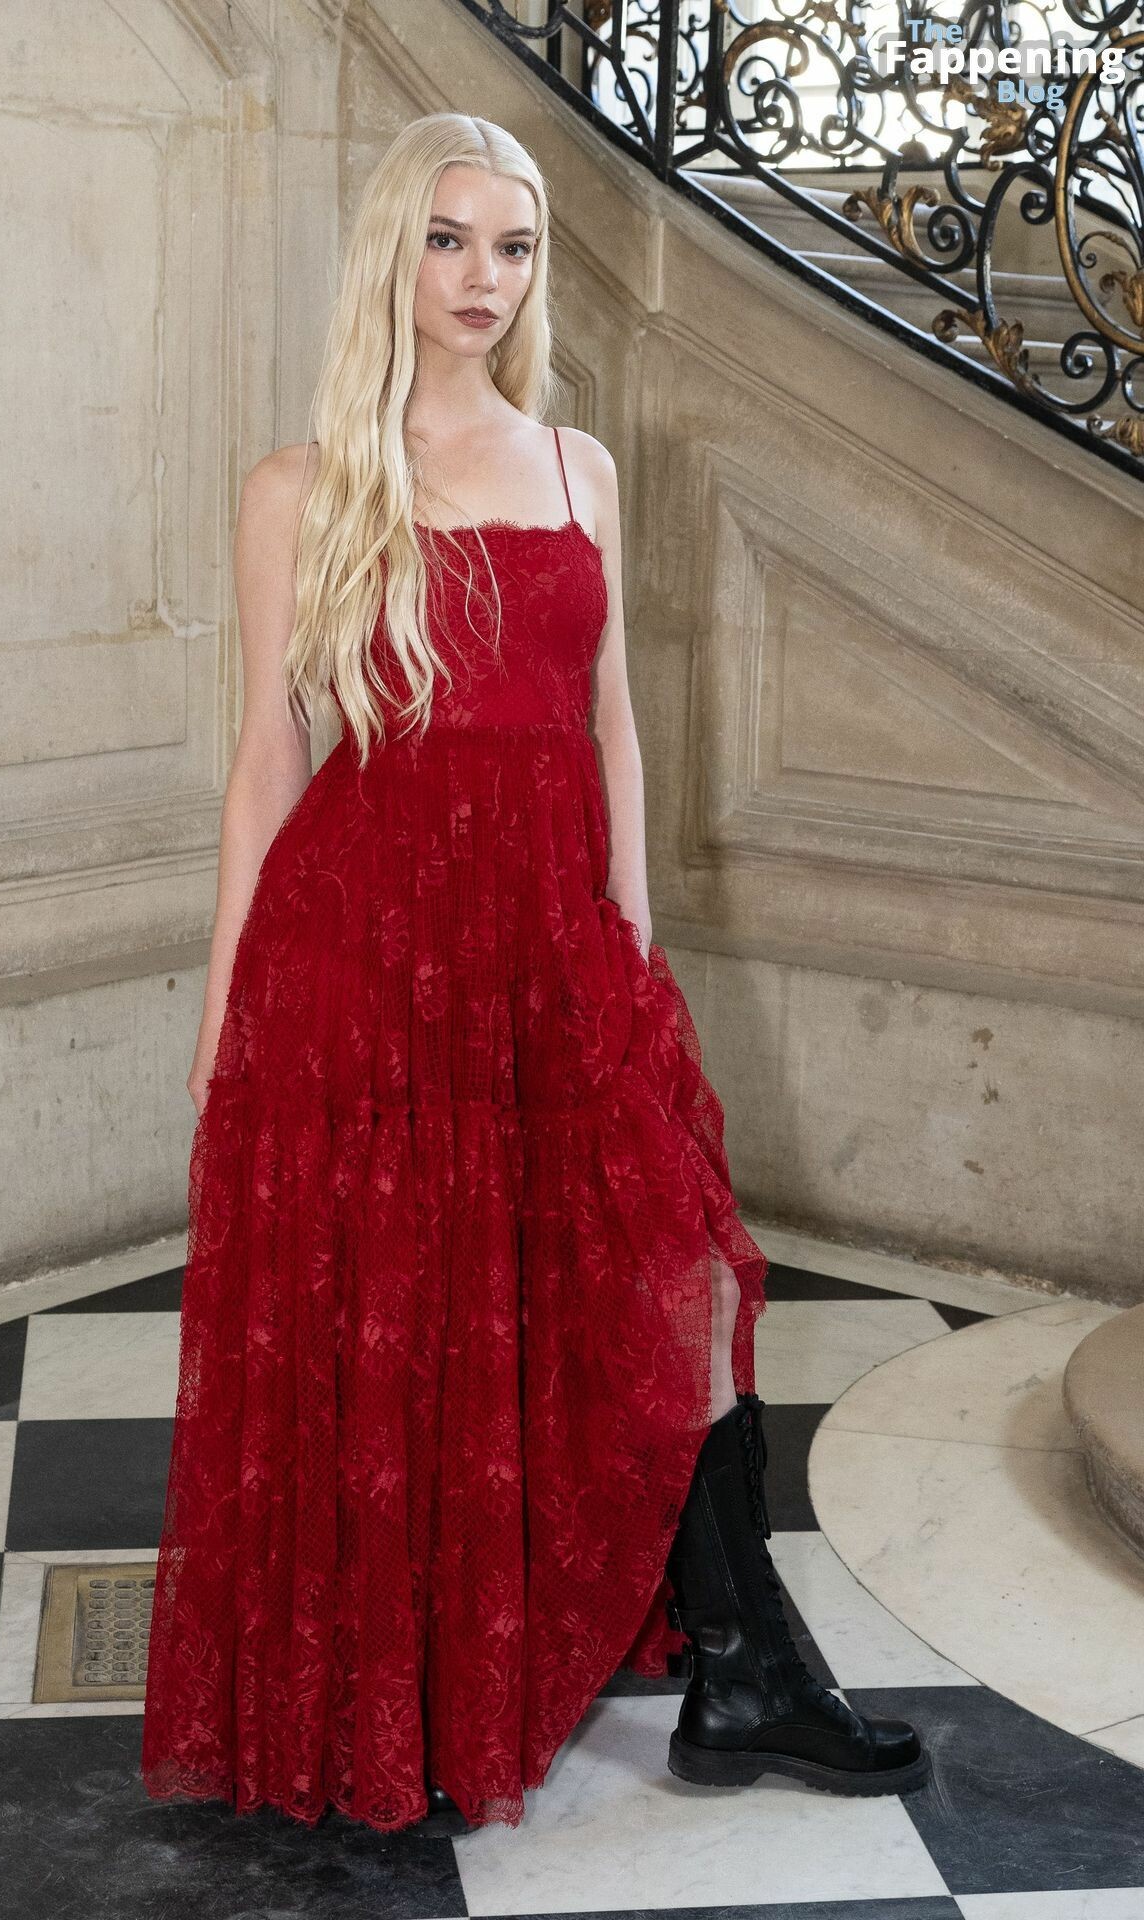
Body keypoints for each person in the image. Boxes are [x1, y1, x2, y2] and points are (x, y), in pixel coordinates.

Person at [140, 110, 927, 1837]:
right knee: (405, 1309)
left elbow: (614, 729)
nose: (481, 277)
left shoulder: (581, 468)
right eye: (448, 240)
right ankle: (612, 1676)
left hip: (553, 950)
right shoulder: (300, 486)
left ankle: (745, 1663)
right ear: (392, 255)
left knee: (676, 1276)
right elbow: (270, 757)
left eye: (512, 245)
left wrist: (629, 943)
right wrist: (224, 1001)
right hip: (364, 952)